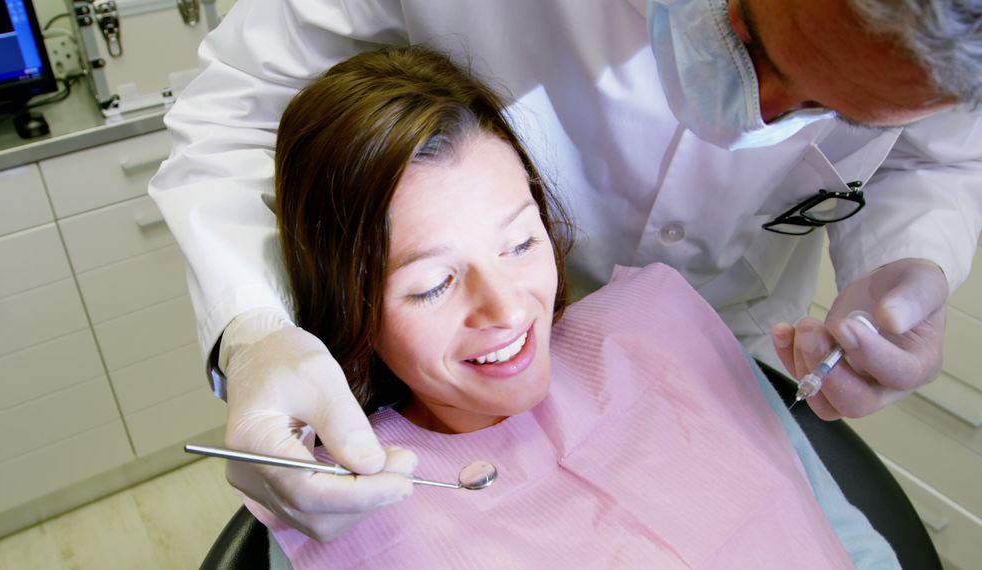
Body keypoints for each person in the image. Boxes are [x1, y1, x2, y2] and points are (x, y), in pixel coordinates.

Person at [149, 0, 982, 539]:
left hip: (726, 337)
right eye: (752, 41)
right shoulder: (375, 521)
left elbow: (942, 162)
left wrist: (912, 263)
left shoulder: (702, 381)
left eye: (835, 112)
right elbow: (235, 112)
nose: (756, 116)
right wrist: (251, 328)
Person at [243, 45, 895, 568]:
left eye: (521, 242)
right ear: (350, 309)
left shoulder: (664, 333)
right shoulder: (338, 509)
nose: (504, 308)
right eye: (433, 284)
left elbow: (847, 543)